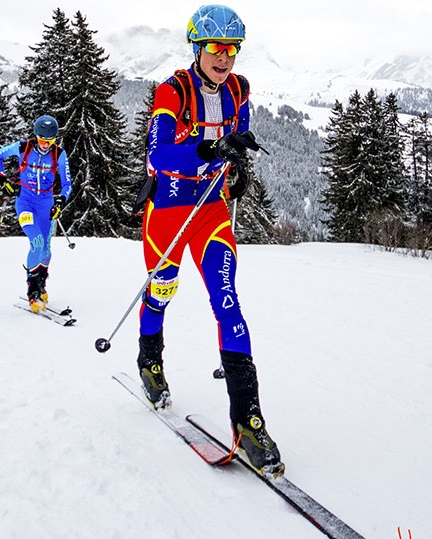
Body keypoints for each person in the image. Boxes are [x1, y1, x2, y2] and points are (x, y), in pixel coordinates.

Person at [136, 5, 281, 476]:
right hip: (169, 215)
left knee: (228, 300)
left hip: (211, 212)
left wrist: (237, 167)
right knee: (162, 292)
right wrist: (207, 148)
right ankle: (150, 359)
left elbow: (234, 139)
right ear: (197, 48)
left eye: (232, 49)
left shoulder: (239, 90)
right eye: (215, 48)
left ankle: (248, 420)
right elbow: (159, 151)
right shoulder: (173, 91)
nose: (224, 57)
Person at [0, 115, 72, 312]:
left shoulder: (59, 154)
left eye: (50, 141)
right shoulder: (23, 147)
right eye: (43, 140)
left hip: (46, 204)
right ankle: (33, 290)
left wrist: (61, 200)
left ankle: (42, 283)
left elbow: (67, 183)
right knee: (35, 241)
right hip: (25, 203)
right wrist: (2, 179)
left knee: (45, 248)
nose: (46, 145)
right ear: (36, 136)